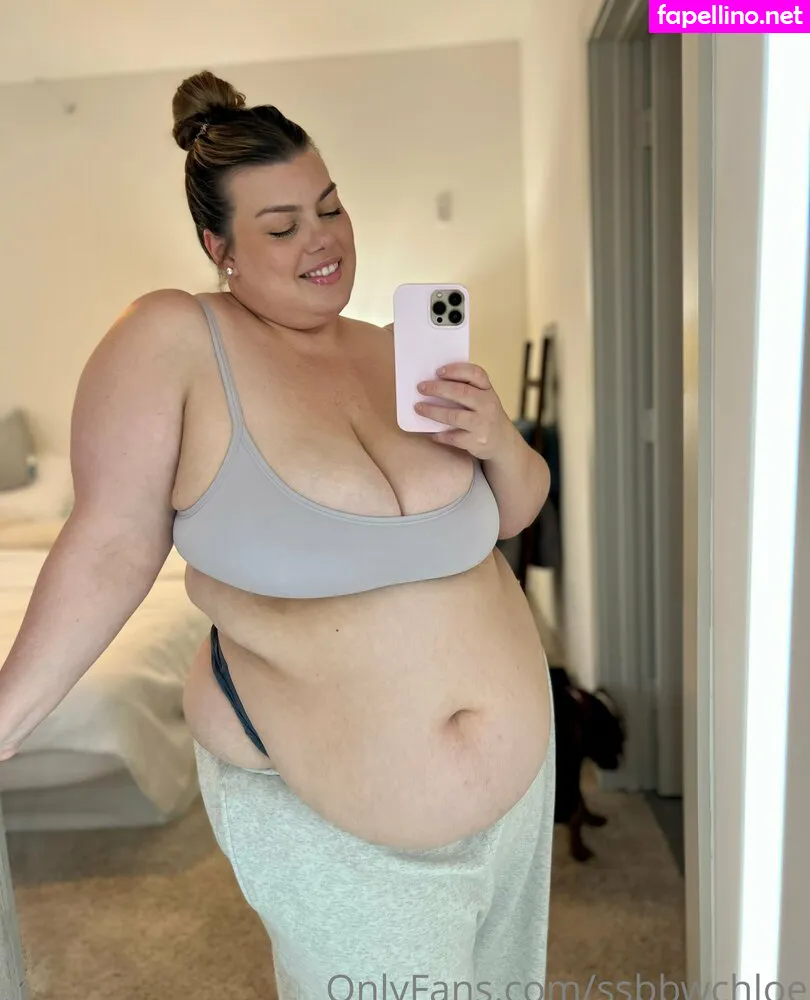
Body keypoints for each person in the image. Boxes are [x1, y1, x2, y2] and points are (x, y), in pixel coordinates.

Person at [0, 71, 556, 999]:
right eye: (282, 225)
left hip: (516, 805)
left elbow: (512, 512)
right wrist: (6, 718)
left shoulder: (396, 348)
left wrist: (498, 437)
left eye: (330, 207)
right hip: (336, 822)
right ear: (218, 247)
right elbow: (111, 544)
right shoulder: (174, 337)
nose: (323, 239)